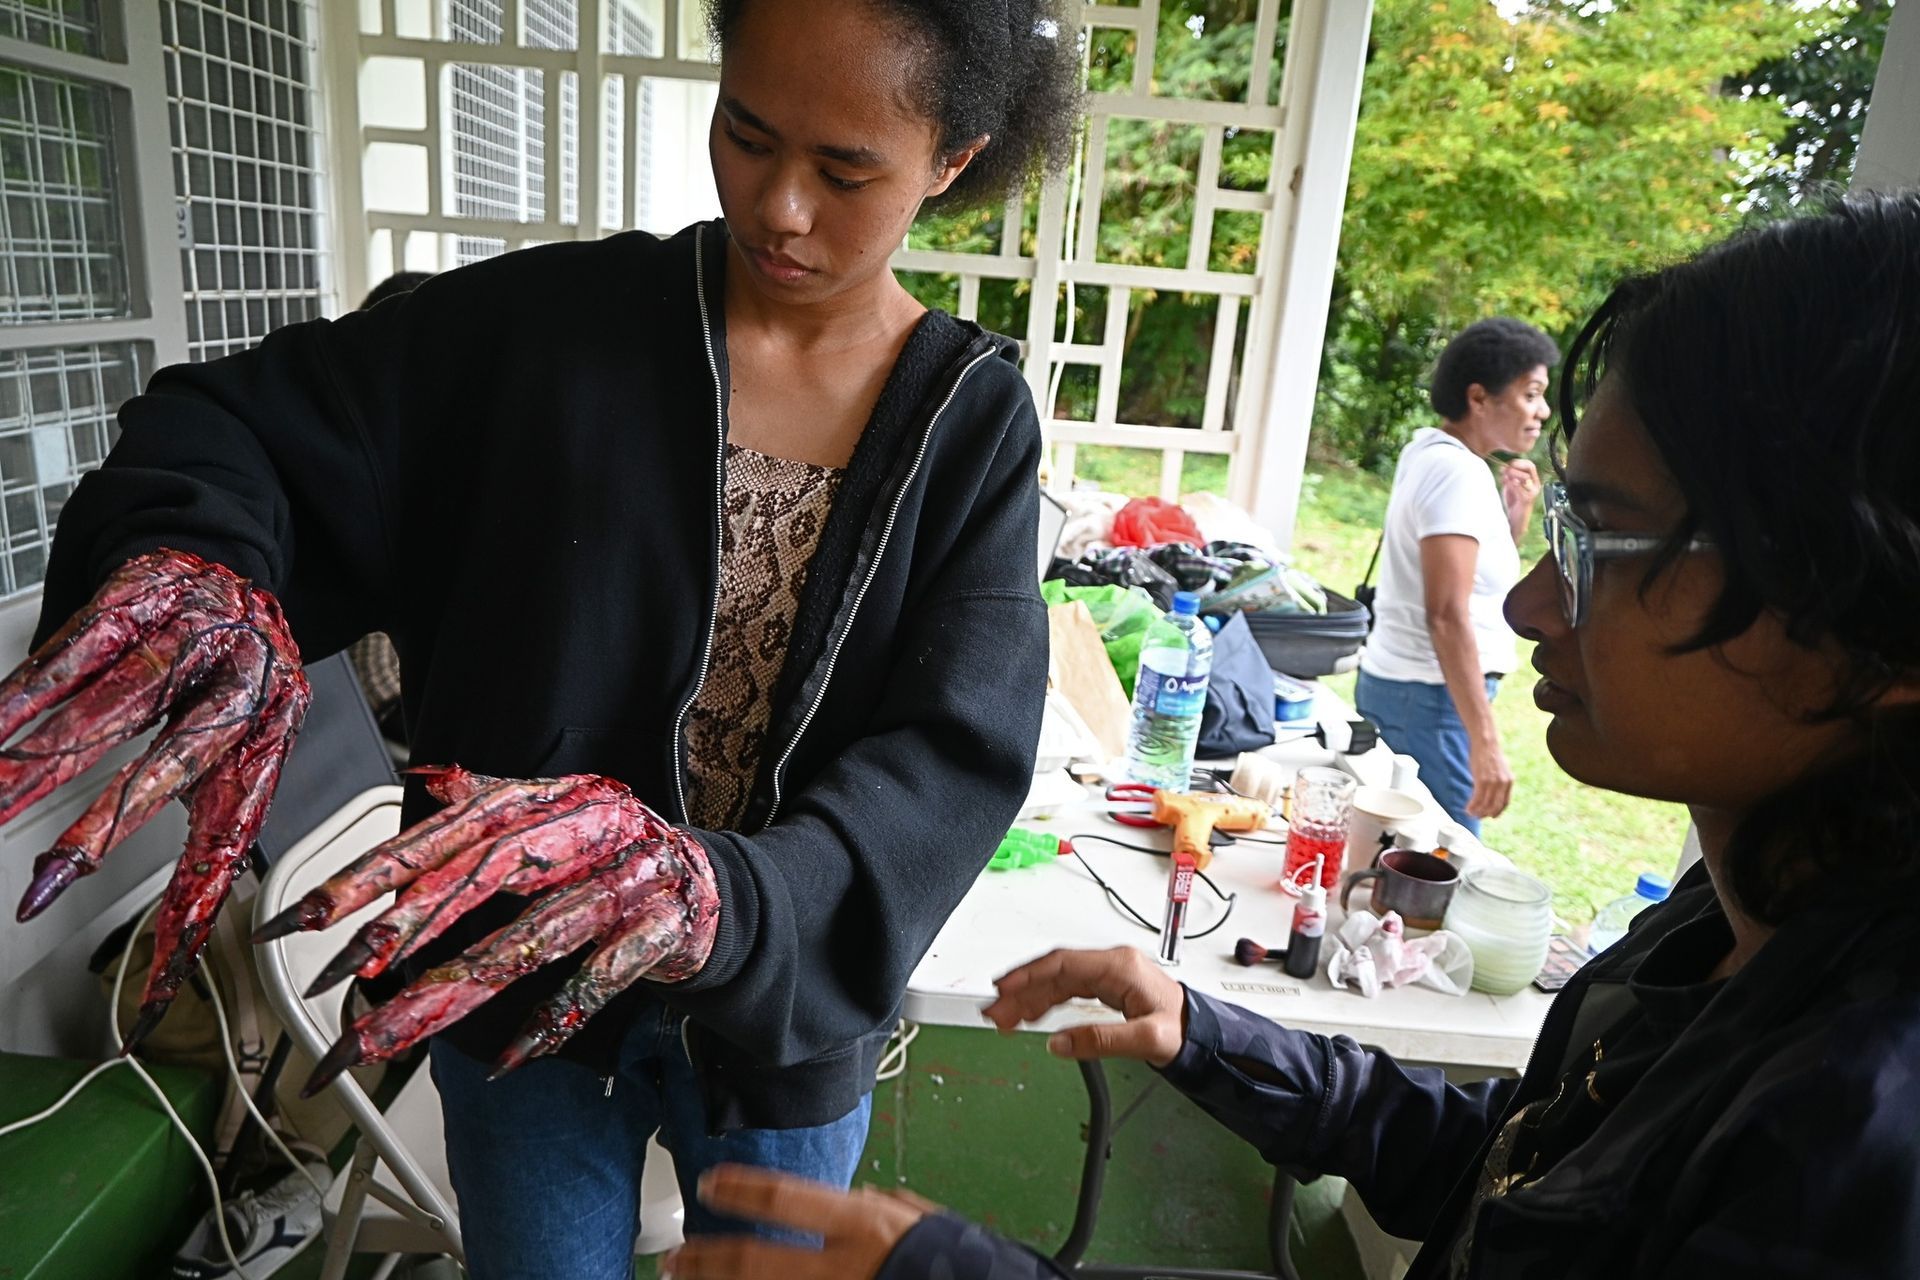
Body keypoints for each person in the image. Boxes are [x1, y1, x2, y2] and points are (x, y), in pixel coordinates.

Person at [658, 194, 1920, 1279]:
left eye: (1603, 544)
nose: (1531, 604)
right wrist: (1208, 1030)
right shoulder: (1715, 932)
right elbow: (1502, 1168)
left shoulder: (1861, 1139)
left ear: (1876, 624)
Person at [19, 1, 1081, 1276]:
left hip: (781, 1025)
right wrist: (198, 565)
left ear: (952, 159)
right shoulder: (542, 331)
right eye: (747, 135)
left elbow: (952, 752)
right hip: (514, 984)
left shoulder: (969, 425)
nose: (780, 208)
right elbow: (241, 427)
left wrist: (721, 898)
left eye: (845, 172)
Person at [1356, 318, 1559, 835]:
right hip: (1430, 700)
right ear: (1479, 398)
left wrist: (1515, 512)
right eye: (1531, 394)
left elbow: (1472, 580)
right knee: (1447, 857)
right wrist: (1485, 743)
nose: (1542, 411)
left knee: (1396, 850)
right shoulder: (1457, 473)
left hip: (1412, 691)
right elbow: (1446, 614)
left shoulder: (1431, 453)